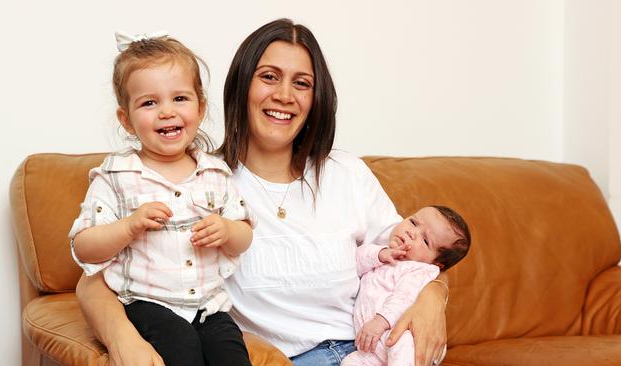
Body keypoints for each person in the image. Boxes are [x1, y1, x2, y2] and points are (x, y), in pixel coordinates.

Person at [76, 19, 450, 366]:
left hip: (368, 352)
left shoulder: (346, 172)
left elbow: (419, 255)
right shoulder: (206, 182)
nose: (285, 95)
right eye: (269, 77)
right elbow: (94, 279)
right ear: (242, 85)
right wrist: (122, 337)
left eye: (301, 83)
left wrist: (433, 298)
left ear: (315, 98)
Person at [69, 31, 254, 366]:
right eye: (149, 103)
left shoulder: (215, 172)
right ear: (126, 119)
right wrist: (128, 227)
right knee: (180, 347)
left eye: (179, 98)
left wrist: (227, 230)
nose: (166, 112)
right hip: (146, 303)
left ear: (200, 107)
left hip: (208, 307)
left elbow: (244, 236)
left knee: (231, 355)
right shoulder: (116, 176)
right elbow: (84, 247)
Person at [342, 206, 471, 366]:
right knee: (350, 361)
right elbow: (355, 261)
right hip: (371, 349)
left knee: (401, 342)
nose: (412, 232)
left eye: (425, 240)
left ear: (437, 263)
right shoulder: (381, 253)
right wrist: (380, 255)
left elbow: (402, 299)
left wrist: (379, 321)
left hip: (405, 339)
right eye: (413, 222)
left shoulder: (419, 270)